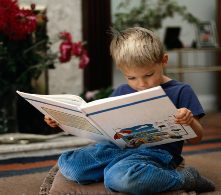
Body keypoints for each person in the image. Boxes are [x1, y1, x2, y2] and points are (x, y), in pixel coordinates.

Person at [44, 27, 215, 195]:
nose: (141, 84)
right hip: (114, 148)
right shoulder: (121, 92)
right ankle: (119, 169)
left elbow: (196, 139)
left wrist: (189, 121)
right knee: (70, 165)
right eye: (131, 77)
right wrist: (61, 122)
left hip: (155, 154)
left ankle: (186, 178)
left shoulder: (181, 91)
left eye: (149, 74)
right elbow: (102, 129)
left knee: (120, 179)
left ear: (164, 60)